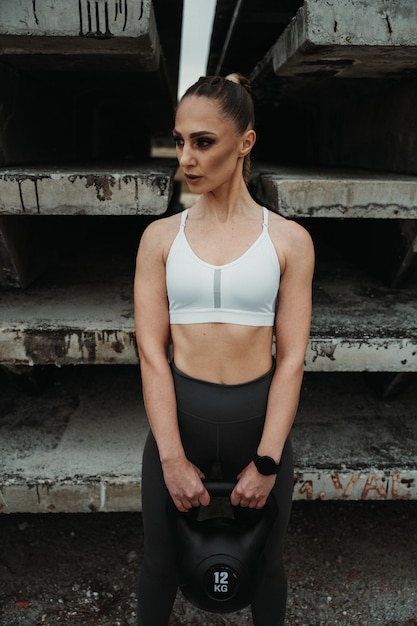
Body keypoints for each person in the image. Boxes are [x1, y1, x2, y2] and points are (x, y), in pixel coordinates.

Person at [134, 73, 314, 626]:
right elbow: (151, 352)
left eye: (203, 142)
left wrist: (266, 460)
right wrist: (170, 457)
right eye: (181, 140)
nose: (186, 157)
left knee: (267, 568)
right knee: (160, 567)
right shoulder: (160, 238)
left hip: (257, 426)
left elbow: (290, 359)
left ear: (245, 143)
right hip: (179, 423)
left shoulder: (287, 240)